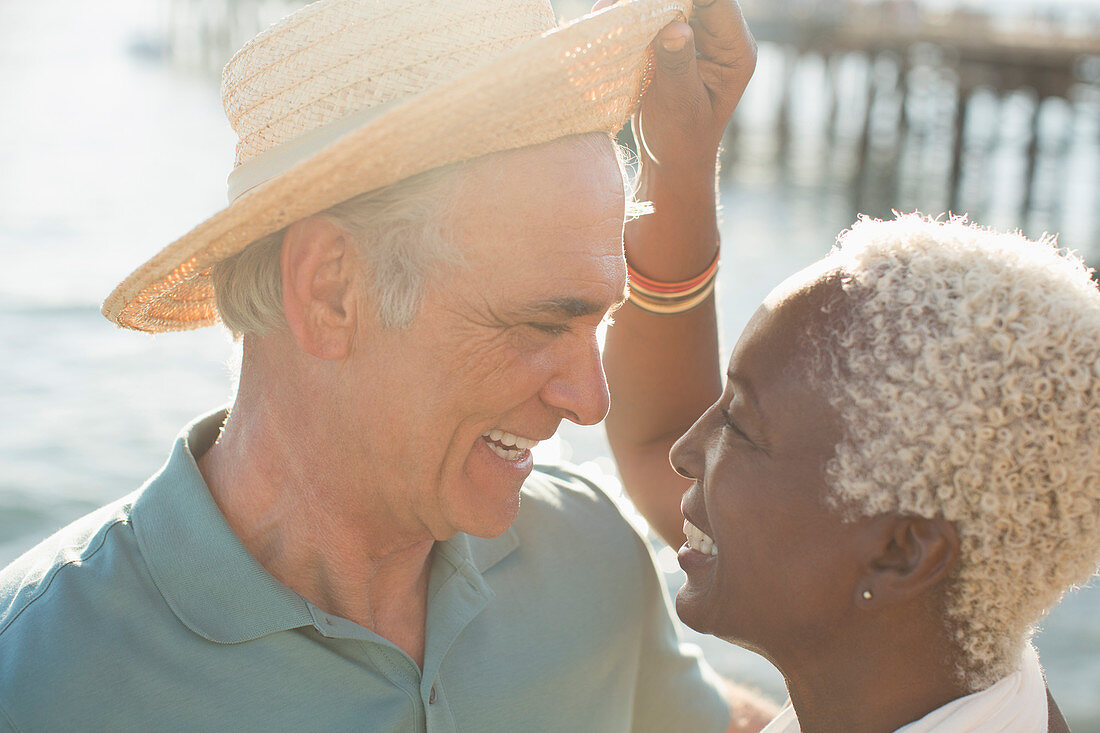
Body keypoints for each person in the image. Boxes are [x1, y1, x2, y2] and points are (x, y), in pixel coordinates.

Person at [0, 0, 777, 730]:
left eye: (599, 321)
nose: (590, 401)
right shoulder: (39, 674)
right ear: (331, 290)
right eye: (542, 322)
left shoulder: (591, 556)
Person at [609, 214, 1096, 731]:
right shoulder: (974, 681)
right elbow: (654, 436)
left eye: (739, 424)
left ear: (900, 553)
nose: (683, 451)